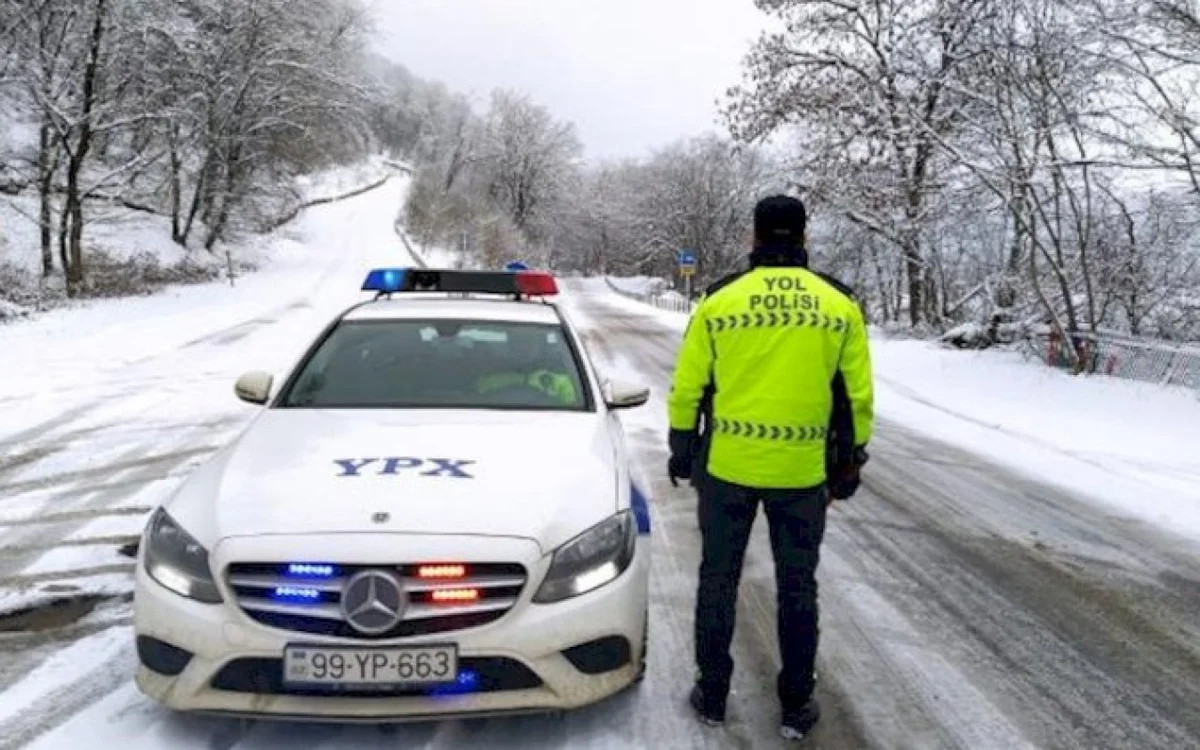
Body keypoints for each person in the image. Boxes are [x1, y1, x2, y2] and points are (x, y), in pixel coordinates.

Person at [666, 195, 874, 741]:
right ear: (803, 238)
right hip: (802, 476)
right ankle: (796, 705)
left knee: (718, 580)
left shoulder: (718, 302)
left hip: (728, 470)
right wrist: (848, 466)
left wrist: (682, 448)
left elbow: (689, 385)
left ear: (753, 239)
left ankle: (712, 695)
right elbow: (855, 398)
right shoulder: (839, 305)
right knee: (797, 589)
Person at [474, 326, 579, 406]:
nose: (523, 346)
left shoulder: (560, 373)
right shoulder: (492, 367)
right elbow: (479, 389)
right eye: (517, 341)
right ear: (509, 342)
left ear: (541, 343)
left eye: (529, 340)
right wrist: (524, 379)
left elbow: (575, 407)